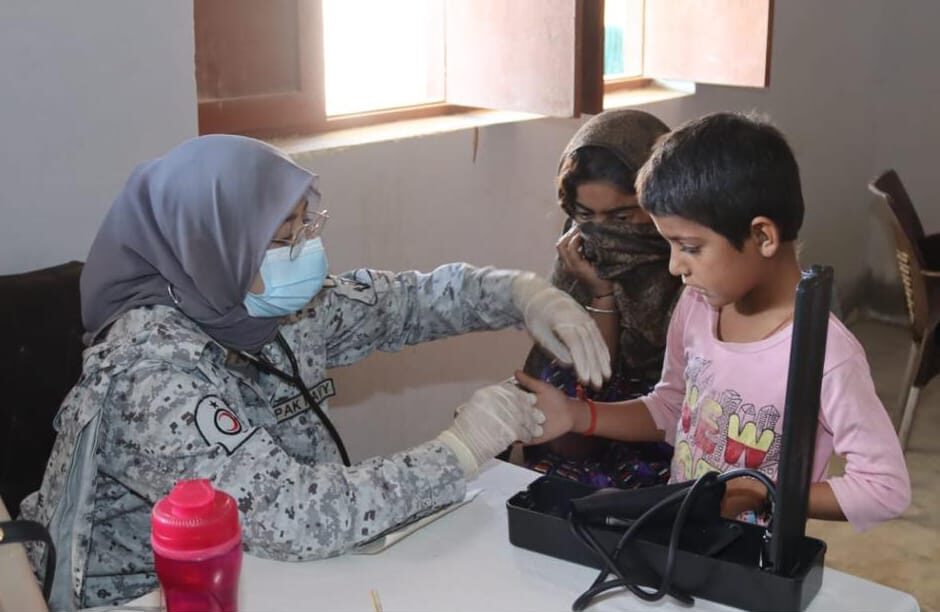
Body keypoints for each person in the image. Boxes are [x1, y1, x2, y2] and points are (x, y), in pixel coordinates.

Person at [20, 134, 610, 609]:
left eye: (306, 226)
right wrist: (461, 448)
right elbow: (297, 514)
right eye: (281, 239)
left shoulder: (258, 302)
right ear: (212, 248)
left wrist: (521, 294)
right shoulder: (148, 374)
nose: (304, 252)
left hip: (278, 570)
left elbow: (406, 302)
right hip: (149, 596)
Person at [518, 112, 911, 529]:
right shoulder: (696, 307)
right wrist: (579, 415)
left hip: (749, 559)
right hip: (683, 535)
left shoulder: (824, 353)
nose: (674, 267)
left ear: (762, 236)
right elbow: (670, 408)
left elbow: (883, 488)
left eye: (689, 247)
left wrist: (760, 490)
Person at [520, 110, 681, 488]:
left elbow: (683, 392)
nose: (604, 233)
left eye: (622, 217)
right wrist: (601, 292)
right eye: (586, 215)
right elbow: (591, 377)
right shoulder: (576, 251)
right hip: (594, 413)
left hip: (674, 420)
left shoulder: (689, 252)